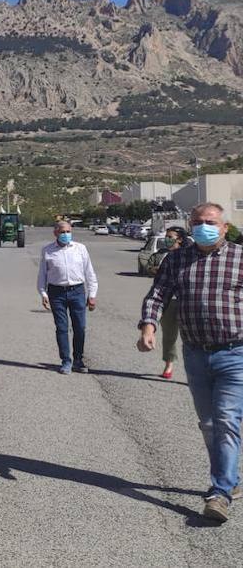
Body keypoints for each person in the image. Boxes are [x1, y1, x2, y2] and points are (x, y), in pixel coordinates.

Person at [138, 202, 243, 523]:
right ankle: (230, 478)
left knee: (226, 419)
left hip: (235, 353)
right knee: (209, 424)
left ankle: (220, 492)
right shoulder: (177, 258)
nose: (203, 226)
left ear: (224, 227)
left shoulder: (240, 258)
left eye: (210, 221)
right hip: (195, 353)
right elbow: (158, 294)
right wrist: (148, 325)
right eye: (197, 221)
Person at [37, 220, 99, 375]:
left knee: (80, 327)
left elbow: (89, 273)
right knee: (62, 328)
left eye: (68, 231)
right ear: (56, 233)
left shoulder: (80, 249)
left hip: (77, 291)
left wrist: (92, 295)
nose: (66, 235)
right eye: (63, 232)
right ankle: (66, 361)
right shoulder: (48, 251)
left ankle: (78, 359)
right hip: (56, 293)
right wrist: (43, 294)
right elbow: (42, 275)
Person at [157, 226, 189, 379]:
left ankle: (196, 370)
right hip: (169, 301)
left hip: (186, 302)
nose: (167, 239)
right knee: (169, 335)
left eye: (170, 236)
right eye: (166, 236)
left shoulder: (189, 256)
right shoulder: (164, 255)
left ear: (180, 239)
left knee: (190, 337)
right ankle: (169, 364)